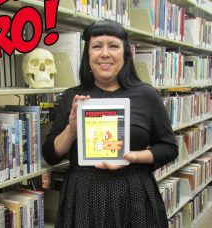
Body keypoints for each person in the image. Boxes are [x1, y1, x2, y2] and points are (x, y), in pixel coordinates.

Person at [42, 19, 178, 228]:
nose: (105, 53)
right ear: (88, 55)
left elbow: (168, 148)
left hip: (133, 192)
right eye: (97, 46)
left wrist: (132, 157)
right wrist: (72, 129)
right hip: (83, 195)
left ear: (125, 53)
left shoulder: (146, 95)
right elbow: (51, 156)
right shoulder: (73, 97)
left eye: (113, 46)